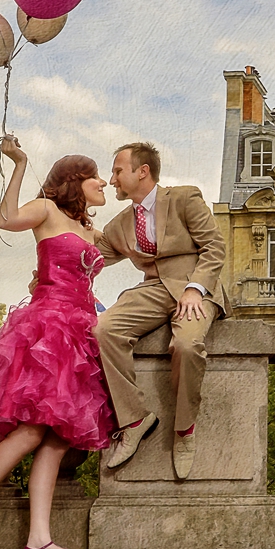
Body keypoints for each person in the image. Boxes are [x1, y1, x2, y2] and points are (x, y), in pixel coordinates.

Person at [0, 136, 116, 549]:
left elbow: (140, 253)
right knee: (30, 431)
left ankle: (39, 538)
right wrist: (20, 163)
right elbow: (6, 220)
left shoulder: (90, 230)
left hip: (81, 329)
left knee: (59, 438)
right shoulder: (47, 210)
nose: (103, 182)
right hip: (50, 327)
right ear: (74, 179)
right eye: (95, 175)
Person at [92, 141, 227, 480]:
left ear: (143, 171)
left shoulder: (184, 198)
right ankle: (135, 420)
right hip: (153, 289)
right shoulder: (120, 224)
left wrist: (196, 288)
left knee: (185, 345)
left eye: (118, 171)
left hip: (193, 286)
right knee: (103, 329)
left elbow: (214, 246)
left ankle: (184, 432)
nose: (112, 180)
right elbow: (90, 260)